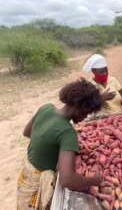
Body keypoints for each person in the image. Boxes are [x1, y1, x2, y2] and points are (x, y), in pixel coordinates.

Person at [17, 79, 104, 210]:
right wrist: (94, 180)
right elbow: (67, 180)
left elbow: (27, 132)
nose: (85, 117)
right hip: (38, 186)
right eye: (86, 112)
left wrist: (50, 147)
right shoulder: (67, 133)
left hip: (25, 176)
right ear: (78, 106)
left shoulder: (46, 108)